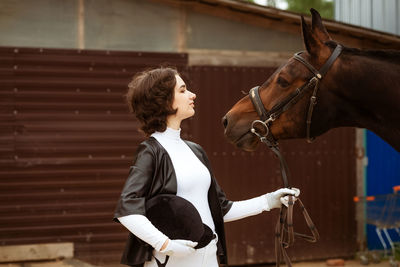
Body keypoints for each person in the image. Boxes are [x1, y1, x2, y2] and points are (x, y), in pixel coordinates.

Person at [113, 67, 300, 267]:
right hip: (172, 261)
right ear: (163, 100)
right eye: (183, 90)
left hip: (209, 257)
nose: (192, 95)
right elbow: (127, 210)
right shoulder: (151, 151)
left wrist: (269, 201)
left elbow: (221, 210)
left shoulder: (195, 150)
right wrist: (166, 245)